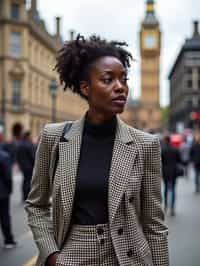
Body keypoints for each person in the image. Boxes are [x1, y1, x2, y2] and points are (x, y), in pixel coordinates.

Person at [25, 35, 169, 266]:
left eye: (124, 79)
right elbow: (36, 204)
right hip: (73, 257)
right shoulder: (54, 138)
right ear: (86, 88)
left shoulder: (146, 144)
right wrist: (51, 254)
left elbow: (154, 224)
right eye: (108, 79)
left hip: (129, 259)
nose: (120, 87)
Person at [0, 134, 17, 248]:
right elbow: (8, 177)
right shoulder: (4, 156)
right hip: (2, 192)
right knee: (5, 216)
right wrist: (10, 189)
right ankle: (8, 240)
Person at [161, 135, 181, 216]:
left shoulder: (162, 150)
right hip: (174, 171)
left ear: (165, 141)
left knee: (165, 189)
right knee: (173, 189)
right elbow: (179, 160)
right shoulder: (175, 149)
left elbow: (160, 161)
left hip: (165, 172)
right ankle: (172, 208)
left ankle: (166, 206)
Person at [16, 131, 36, 201]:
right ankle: (27, 196)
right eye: (30, 136)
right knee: (28, 181)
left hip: (23, 166)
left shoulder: (19, 144)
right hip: (29, 166)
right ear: (28, 136)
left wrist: (19, 164)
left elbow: (17, 156)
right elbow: (32, 156)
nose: (31, 137)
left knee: (25, 180)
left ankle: (24, 196)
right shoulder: (28, 144)